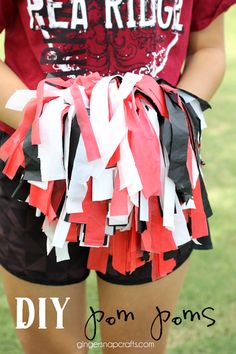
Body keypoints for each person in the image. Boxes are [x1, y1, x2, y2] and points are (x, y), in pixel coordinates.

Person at [0, 1, 235, 354]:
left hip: (153, 179)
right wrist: (53, 124)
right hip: (36, 172)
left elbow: (209, 49)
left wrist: (168, 121)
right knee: (50, 348)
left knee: (137, 346)